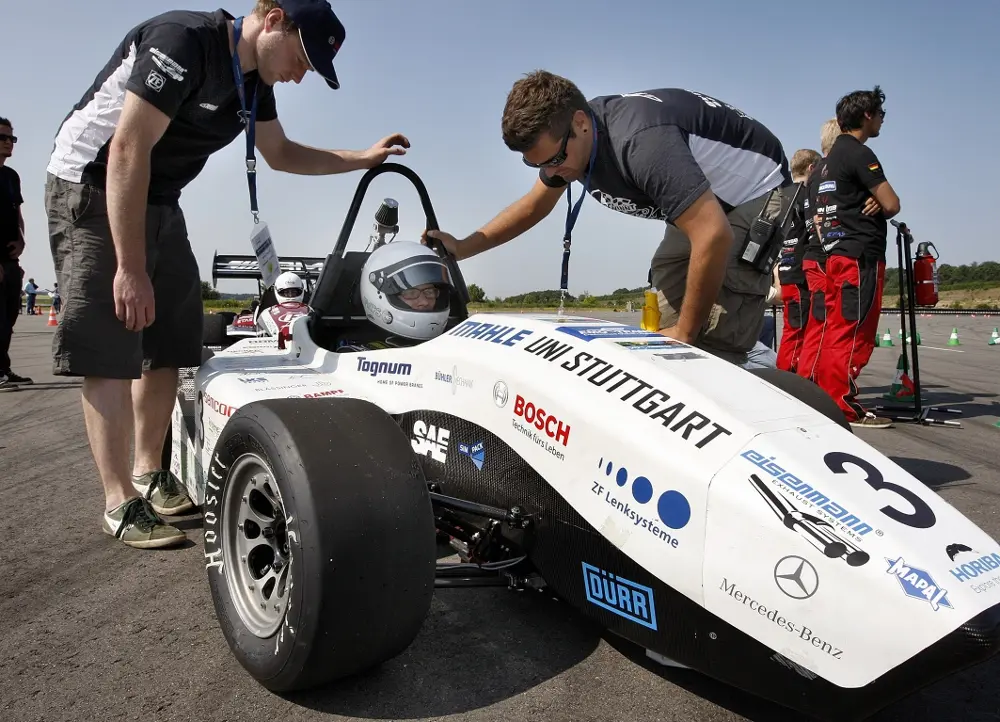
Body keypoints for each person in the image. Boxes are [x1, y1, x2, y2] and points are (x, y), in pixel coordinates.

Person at [44, 0, 411, 549]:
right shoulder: (184, 41)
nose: (301, 74)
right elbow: (127, 148)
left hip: (158, 196)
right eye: (302, 57)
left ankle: (149, 471)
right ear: (273, 18)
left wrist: (361, 158)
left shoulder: (256, 83)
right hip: (95, 183)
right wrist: (129, 267)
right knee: (112, 338)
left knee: (173, 336)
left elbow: (280, 153)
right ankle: (118, 500)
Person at [424, 71, 792, 366]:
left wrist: (685, 333)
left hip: (757, 189)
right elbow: (534, 206)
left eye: (554, 160)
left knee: (713, 331)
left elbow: (712, 234)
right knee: (668, 294)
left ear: (581, 123)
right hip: (709, 197)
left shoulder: (641, 144)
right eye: (536, 165)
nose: (551, 173)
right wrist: (463, 247)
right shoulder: (572, 144)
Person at [805, 86, 900, 428]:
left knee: (836, 329)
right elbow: (892, 204)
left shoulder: (824, 164)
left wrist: (868, 197)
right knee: (854, 331)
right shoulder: (859, 154)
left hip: (834, 255)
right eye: (881, 114)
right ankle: (843, 406)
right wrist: (878, 200)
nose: (882, 120)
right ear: (867, 115)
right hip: (860, 257)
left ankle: (827, 398)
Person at [794, 119, 841, 382]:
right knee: (821, 322)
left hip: (810, 259)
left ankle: (809, 377)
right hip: (820, 258)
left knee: (816, 322)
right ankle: (809, 379)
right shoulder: (821, 176)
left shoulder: (805, 186)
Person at [774, 148, 823, 373]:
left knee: (793, 328)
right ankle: (789, 381)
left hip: (785, 270)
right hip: (800, 273)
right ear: (812, 168)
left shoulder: (781, 195)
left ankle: (791, 378)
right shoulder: (806, 194)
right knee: (798, 331)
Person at [356, 240, 456, 345]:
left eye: (429, 292)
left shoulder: (453, 344)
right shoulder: (355, 354)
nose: (424, 302)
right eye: (411, 293)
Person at [0, 115, 33, 389]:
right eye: (2, 137)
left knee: (8, 318)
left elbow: (17, 214)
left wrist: (22, 241)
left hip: (10, 259)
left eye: (11, 138)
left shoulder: (11, 177)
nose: (8, 142)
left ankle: (3, 368)